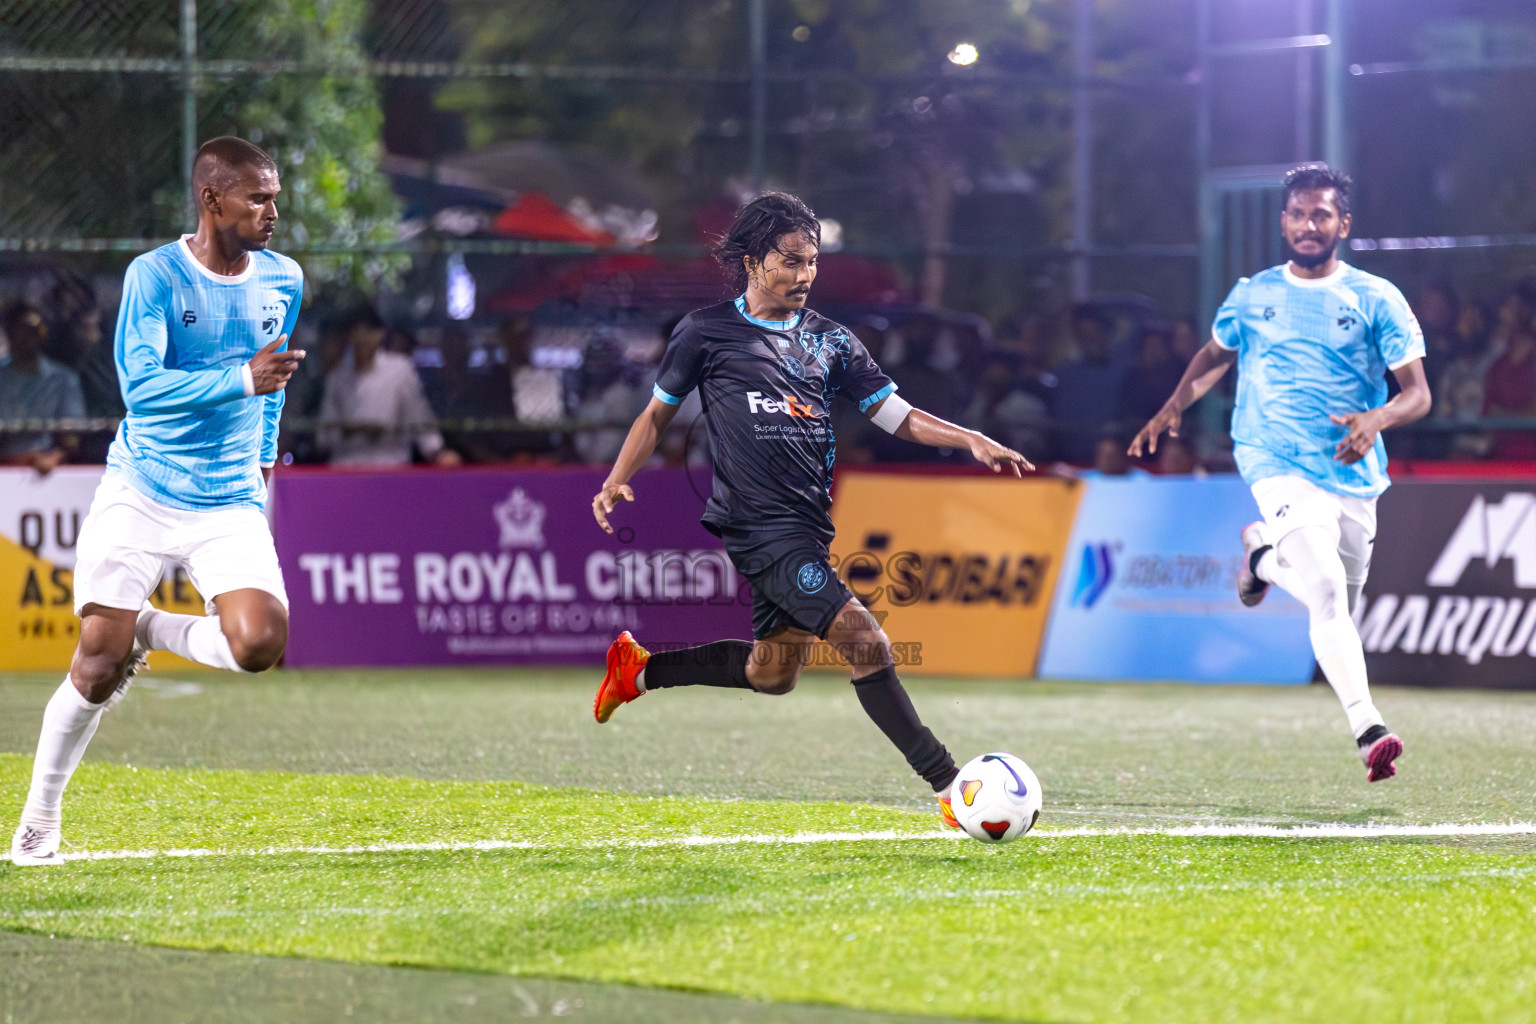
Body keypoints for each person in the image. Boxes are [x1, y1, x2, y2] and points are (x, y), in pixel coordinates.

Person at [587, 192, 1031, 827]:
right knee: (864, 638)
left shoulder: (831, 342)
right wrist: (616, 478)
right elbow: (657, 414)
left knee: (774, 673)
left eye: (812, 262)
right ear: (750, 260)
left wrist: (970, 438)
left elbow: (897, 417)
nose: (803, 276)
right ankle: (950, 786)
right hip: (755, 526)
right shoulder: (706, 332)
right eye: (789, 261)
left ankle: (639, 672)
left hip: (807, 529)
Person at [11, 137, 308, 866]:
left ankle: (153, 630)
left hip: (229, 496)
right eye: (258, 197)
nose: (273, 211)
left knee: (261, 644)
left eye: (274, 196)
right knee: (95, 664)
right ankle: (38, 822)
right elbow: (139, 390)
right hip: (142, 487)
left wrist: (263, 468)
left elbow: (274, 388)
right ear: (213, 200)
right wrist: (242, 378)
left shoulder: (284, 280)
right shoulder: (155, 276)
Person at [1130, 164, 1430, 783]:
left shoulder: (1376, 297)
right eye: (1297, 214)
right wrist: (1172, 406)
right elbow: (1216, 355)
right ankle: (1369, 729)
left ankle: (1262, 560)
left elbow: (1418, 394)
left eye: (1321, 214)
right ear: (1284, 221)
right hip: (1274, 457)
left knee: (1339, 605)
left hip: (1352, 468)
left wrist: (1375, 419)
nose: (1308, 225)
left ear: (1342, 224)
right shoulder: (1254, 293)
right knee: (1323, 590)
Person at [317, 305, 461, 467]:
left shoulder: (400, 370)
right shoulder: (337, 376)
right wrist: (351, 430)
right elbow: (324, 436)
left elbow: (418, 416)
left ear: (380, 335)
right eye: (356, 332)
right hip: (345, 469)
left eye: (368, 332)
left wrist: (438, 452)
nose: (362, 339)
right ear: (349, 337)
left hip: (390, 468)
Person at [0, 299, 85, 474]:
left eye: (35, 329)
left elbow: (71, 437)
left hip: (51, 473)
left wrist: (52, 458)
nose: (28, 336)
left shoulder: (64, 379)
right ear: (8, 332)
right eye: (21, 329)